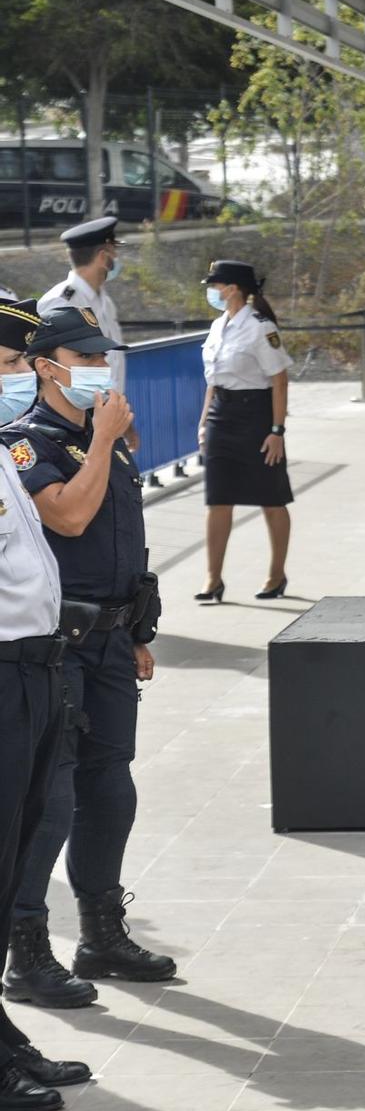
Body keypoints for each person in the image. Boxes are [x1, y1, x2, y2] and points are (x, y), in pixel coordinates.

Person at [1, 307, 170, 1010]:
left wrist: (136, 630)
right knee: (53, 798)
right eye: (84, 357)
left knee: (111, 788)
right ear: (46, 367)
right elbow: (68, 515)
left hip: (109, 639)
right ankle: (27, 946)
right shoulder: (25, 442)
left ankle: (102, 929)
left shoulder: (104, 437)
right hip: (57, 649)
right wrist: (102, 440)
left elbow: (120, 538)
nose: (100, 369)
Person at [0, 300, 92, 1111]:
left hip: (30, 668)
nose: (16, 379)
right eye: (3, 365)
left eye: (18, 364)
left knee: (19, 844)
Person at [193, 260, 293, 603]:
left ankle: (277, 574)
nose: (212, 292)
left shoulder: (260, 327)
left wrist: (277, 430)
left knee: (271, 498)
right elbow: (213, 381)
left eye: (215, 285)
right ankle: (213, 579)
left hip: (256, 416)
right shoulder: (218, 325)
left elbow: (279, 380)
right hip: (222, 414)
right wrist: (204, 421)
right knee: (217, 498)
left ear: (232, 288)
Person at [36, 217, 128, 397]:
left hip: (107, 408)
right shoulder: (61, 302)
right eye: (113, 251)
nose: (116, 258)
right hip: (80, 414)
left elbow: (114, 361)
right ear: (103, 257)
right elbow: (49, 370)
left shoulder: (104, 301)